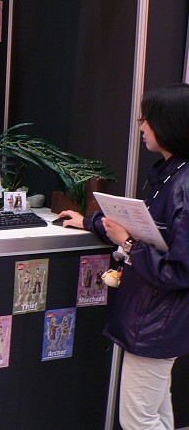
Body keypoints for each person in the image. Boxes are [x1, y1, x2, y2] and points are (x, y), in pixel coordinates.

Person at [58, 83, 189, 430]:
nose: (141, 126)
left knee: (138, 420)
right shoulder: (170, 175)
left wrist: (128, 244)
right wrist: (90, 221)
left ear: (169, 123)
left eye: (147, 119)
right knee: (156, 412)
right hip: (156, 316)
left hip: (159, 321)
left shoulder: (182, 186)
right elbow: (144, 229)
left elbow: (178, 271)